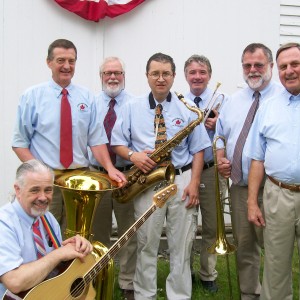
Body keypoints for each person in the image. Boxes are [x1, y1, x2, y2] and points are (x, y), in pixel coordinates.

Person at [111, 52, 211, 300]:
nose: (160, 78)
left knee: (182, 244)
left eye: (166, 73)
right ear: (147, 76)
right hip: (146, 182)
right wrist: (133, 156)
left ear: (174, 76)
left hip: (181, 180)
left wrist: (195, 183)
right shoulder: (131, 107)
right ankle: (145, 294)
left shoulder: (186, 107)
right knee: (146, 243)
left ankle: (178, 295)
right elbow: (116, 143)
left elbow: (198, 149)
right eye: (155, 73)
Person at [11, 39, 126, 236]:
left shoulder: (86, 97)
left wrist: (110, 168)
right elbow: (19, 144)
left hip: (79, 180)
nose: (66, 66)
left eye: (71, 61)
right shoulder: (32, 97)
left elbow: (96, 140)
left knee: (78, 237)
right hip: (47, 182)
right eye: (60, 60)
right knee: (44, 236)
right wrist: (41, 174)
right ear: (49, 62)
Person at [215, 43, 283, 299]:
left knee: (275, 248)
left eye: (259, 65)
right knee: (245, 246)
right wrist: (221, 157)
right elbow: (220, 135)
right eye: (247, 65)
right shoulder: (234, 100)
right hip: (240, 188)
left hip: (273, 189)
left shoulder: (283, 98)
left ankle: (274, 294)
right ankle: (249, 293)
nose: (253, 70)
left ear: (271, 67)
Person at [246, 42, 300, 300]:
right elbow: (257, 158)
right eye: (283, 67)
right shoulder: (268, 105)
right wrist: (252, 203)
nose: (289, 71)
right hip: (278, 195)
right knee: (276, 267)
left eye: (295, 64)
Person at [0, 159, 93, 299]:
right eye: (35, 190)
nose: (43, 197)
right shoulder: (4, 223)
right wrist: (59, 254)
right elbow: (15, 282)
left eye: (48, 190)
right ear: (17, 190)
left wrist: (76, 249)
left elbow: (56, 271)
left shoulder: (47, 218)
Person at [89, 56, 137, 300]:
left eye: (117, 72)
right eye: (108, 73)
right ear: (101, 77)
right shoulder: (89, 103)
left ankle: (128, 282)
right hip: (96, 174)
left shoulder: (135, 104)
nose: (113, 77)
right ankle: (97, 278)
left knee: (129, 229)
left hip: (127, 175)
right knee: (98, 232)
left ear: (124, 76)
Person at [184, 54, 226, 292]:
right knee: (185, 225)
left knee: (211, 225)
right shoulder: (179, 102)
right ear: (186, 76)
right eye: (192, 72)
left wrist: (219, 124)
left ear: (209, 75)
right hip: (187, 171)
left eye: (202, 72)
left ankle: (208, 273)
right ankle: (185, 271)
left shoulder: (222, 100)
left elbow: (233, 133)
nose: (197, 77)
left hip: (211, 171)